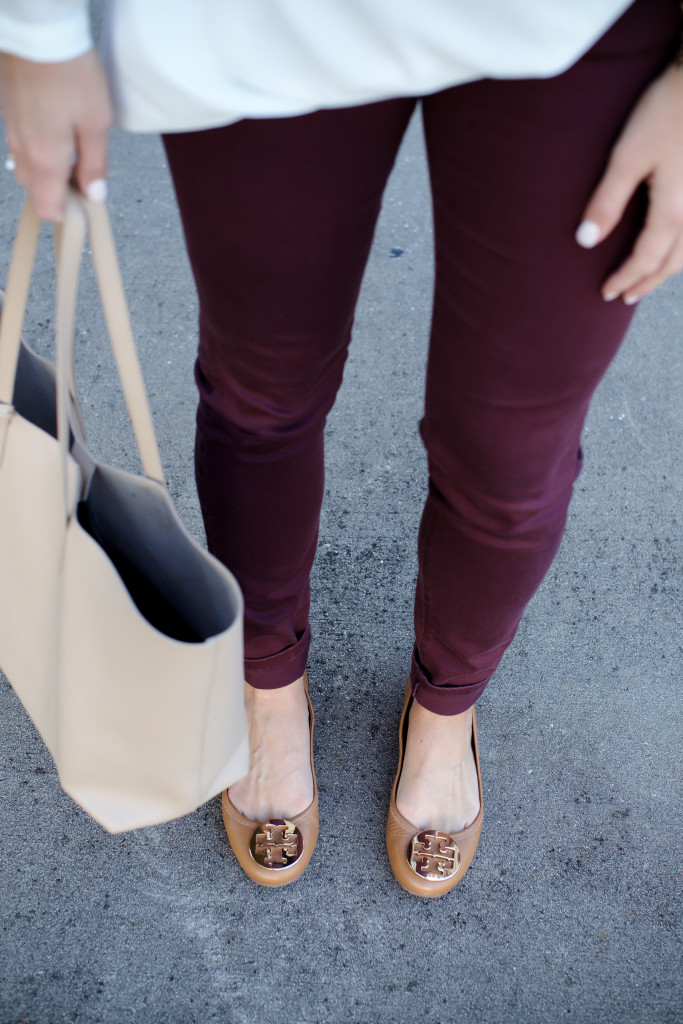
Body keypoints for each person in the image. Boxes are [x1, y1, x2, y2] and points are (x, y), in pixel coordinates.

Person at [1, 0, 681, 895]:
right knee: (260, 394)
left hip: (584, 27)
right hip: (263, 21)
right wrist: (36, 32)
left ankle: (444, 711)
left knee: (512, 451)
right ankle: (267, 685)